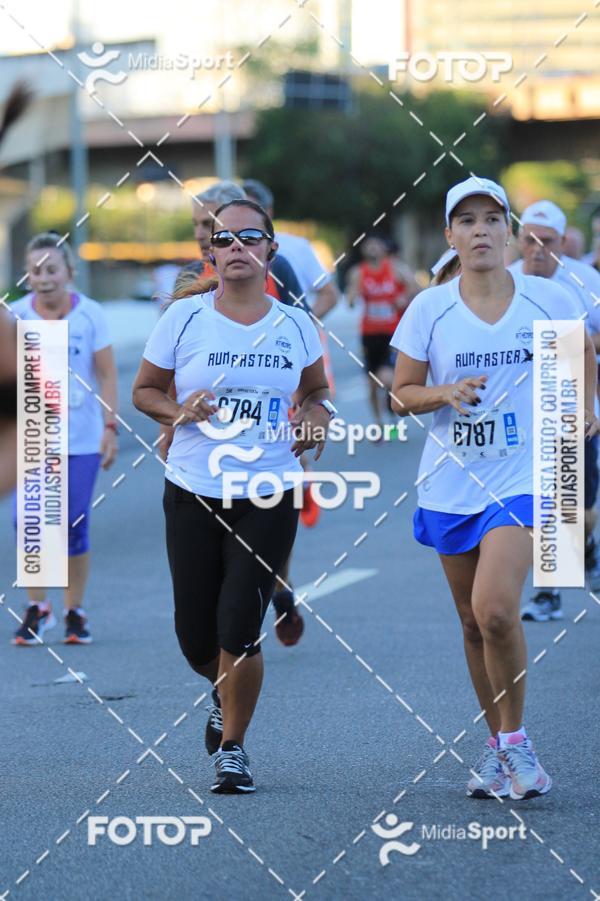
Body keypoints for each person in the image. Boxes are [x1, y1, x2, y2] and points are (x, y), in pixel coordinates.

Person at [391, 175, 598, 801]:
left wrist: (586, 407)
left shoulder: (548, 299)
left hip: (526, 477)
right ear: (450, 236)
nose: (481, 230)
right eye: (467, 221)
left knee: (498, 610)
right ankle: (497, 745)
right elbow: (401, 394)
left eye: (492, 219)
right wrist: (443, 393)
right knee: (472, 624)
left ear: (507, 232)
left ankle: (516, 745)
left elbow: (582, 353)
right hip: (451, 482)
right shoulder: (431, 308)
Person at [132, 198, 334, 793]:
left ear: (271, 248)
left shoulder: (294, 324)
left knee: (237, 623)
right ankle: (222, 690)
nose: (237, 247)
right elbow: (146, 391)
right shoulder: (185, 319)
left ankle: (234, 749)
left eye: (251, 236)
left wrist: (319, 416)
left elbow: (317, 389)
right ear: (211, 254)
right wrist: (179, 411)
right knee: (195, 638)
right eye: (224, 239)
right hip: (193, 488)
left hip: (269, 489)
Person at [243, 178, 339, 646]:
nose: (235, 237)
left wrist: (304, 334)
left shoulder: (288, 255)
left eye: (251, 221)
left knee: (276, 480)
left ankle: (276, 580)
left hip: (281, 382)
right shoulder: (195, 270)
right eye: (215, 226)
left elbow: (323, 298)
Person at [11, 233, 119, 645]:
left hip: (81, 439)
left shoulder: (90, 315)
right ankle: (39, 608)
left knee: (73, 524)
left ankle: (75, 609)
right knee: (31, 522)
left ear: (69, 273)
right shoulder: (15, 317)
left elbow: (107, 375)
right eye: (36, 270)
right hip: (34, 438)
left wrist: (111, 428)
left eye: (52, 269)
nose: (44, 278)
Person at [509, 200, 600, 616]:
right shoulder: (503, 282)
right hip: (521, 417)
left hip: (572, 409)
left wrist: (568, 343)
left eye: (546, 241)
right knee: (545, 504)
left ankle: (586, 544)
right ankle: (549, 595)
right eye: (529, 240)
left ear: (562, 242)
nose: (537, 249)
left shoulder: (585, 282)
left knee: (578, 510)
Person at [346, 234, 420, 426]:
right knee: (371, 384)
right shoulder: (359, 272)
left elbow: (415, 288)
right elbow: (351, 299)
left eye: (375, 245)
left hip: (392, 333)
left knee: (387, 378)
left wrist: (404, 298)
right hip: (369, 334)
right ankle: (379, 423)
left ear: (382, 249)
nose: (372, 249)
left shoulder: (395, 269)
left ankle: (391, 404)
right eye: (368, 246)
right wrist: (353, 297)